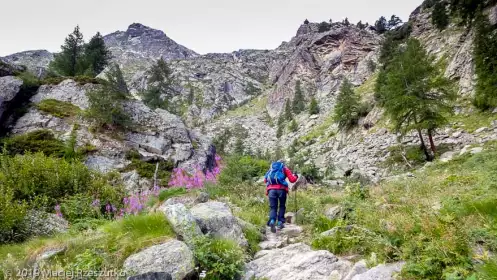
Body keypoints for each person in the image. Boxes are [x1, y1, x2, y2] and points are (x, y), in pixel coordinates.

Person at [264, 160, 298, 233]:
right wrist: (295, 176)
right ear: (283, 164)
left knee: (273, 207)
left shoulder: (271, 169)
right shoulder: (284, 168)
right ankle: (280, 222)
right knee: (282, 206)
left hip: (271, 190)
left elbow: (265, 180)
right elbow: (292, 180)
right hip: (281, 190)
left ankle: (272, 221)